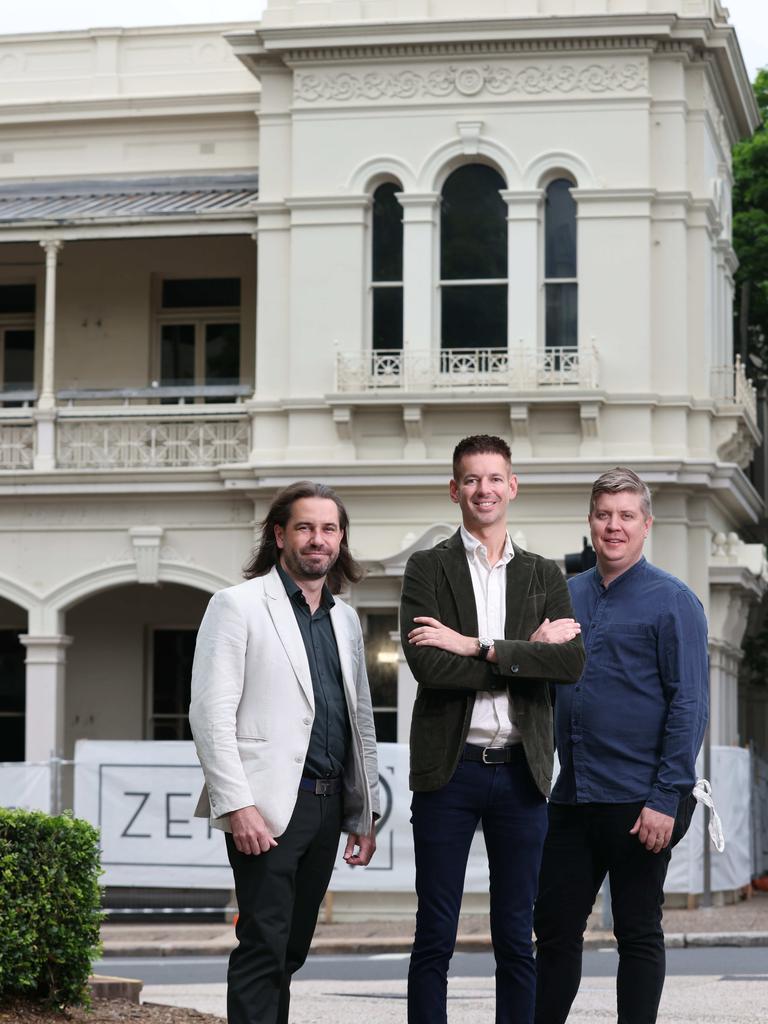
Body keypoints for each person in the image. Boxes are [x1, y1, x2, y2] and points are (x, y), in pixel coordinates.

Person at [401, 434, 585, 1024]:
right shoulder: (427, 567)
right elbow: (430, 666)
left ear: (513, 486)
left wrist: (474, 646)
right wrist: (518, 657)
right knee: (435, 931)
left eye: (494, 478)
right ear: (455, 489)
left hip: (520, 775)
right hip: (448, 774)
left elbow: (568, 664)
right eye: (472, 480)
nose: (484, 489)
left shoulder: (543, 574)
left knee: (515, 933)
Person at [189, 480, 380, 1024]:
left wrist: (363, 813)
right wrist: (236, 805)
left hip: (324, 808)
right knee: (263, 945)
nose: (317, 540)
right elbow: (209, 714)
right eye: (304, 527)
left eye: (328, 529)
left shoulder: (345, 619)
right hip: (268, 806)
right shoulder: (237, 605)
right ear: (279, 535)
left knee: (291, 950)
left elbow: (358, 721)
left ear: (341, 541)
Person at [534, 467, 709, 1024]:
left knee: (636, 931)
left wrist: (666, 797)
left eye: (626, 516)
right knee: (555, 930)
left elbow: (689, 705)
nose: (614, 526)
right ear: (590, 522)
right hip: (572, 796)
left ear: (646, 525)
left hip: (640, 800)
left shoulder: (674, 601)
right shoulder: (564, 597)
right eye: (604, 515)